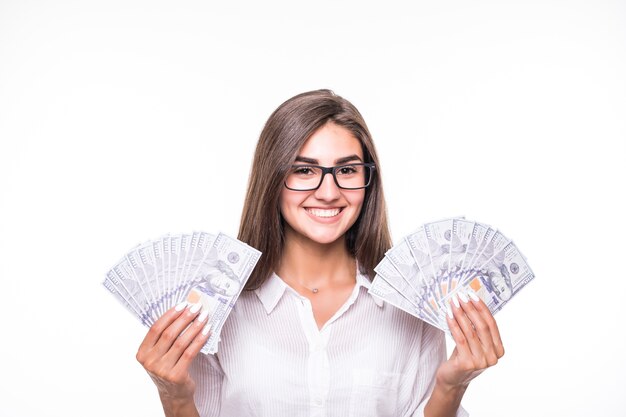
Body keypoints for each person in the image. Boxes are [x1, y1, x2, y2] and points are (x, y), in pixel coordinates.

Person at [135, 89, 505, 417]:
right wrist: (175, 397)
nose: (328, 192)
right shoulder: (216, 311)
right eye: (304, 170)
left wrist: (451, 386)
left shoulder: (411, 307)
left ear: (367, 179)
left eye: (346, 169)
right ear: (273, 179)